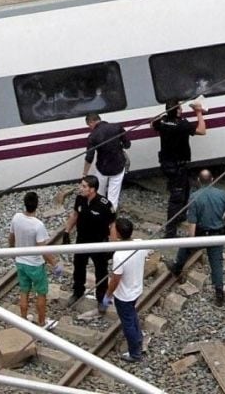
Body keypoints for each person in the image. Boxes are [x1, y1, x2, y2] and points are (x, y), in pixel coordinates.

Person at [175, 168, 225, 305]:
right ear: (212, 179)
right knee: (217, 265)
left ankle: (177, 268)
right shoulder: (222, 194)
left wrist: (191, 239)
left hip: (201, 234)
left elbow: (192, 222)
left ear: (198, 181)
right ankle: (219, 293)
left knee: (184, 248)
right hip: (217, 235)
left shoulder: (194, 197)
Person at [154, 98, 207, 235]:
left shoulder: (162, 121)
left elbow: (151, 125)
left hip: (167, 163)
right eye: (180, 108)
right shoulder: (181, 124)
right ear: (177, 111)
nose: (182, 110)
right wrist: (199, 112)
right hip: (178, 165)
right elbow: (202, 131)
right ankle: (170, 232)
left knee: (185, 189)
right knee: (176, 197)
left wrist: (164, 116)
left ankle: (181, 216)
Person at [65, 174, 115, 308]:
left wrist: (113, 244)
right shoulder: (80, 199)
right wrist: (67, 231)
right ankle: (77, 292)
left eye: (84, 186)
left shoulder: (104, 204)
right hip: (82, 239)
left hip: (98, 242)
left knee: (101, 271)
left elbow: (112, 224)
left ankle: (101, 298)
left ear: (92, 189)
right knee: (79, 267)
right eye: (81, 185)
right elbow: (75, 215)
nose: (80, 188)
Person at [9, 190, 58, 329]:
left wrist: (12, 250)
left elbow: (11, 236)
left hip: (20, 261)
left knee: (24, 291)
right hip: (35, 265)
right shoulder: (38, 225)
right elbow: (42, 250)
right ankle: (42, 323)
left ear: (24, 204)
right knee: (41, 293)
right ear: (37, 205)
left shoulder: (16, 217)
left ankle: (23, 321)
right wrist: (54, 263)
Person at [107, 215, 149, 363]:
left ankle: (135, 353)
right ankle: (139, 339)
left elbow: (115, 280)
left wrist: (108, 295)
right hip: (136, 289)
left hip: (124, 295)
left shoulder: (119, 255)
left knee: (128, 323)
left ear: (118, 234)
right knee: (132, 316)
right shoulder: (140, 244)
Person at [85, 113, 130, 209]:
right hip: (118, 166)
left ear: (91, 122)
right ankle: (111, 216)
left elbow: (89, 157)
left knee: (100, 192)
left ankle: (99, 211)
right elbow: (127, 144)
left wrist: (84, 174)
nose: (90, 128)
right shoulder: (117, 127)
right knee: (113, 196)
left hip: (102, 168)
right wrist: (119, 147)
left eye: (89, 126)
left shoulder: (92, 136)